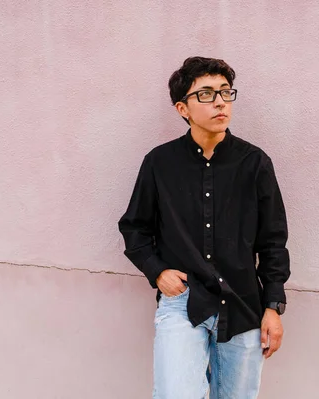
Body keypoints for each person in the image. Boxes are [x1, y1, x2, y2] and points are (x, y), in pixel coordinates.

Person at [118, 56, 290, 399]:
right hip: (183, 301)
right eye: (207, 94)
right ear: (183, 108)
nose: (220, 102)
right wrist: (157, 272)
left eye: (226, 92)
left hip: (243, 305)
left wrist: (273, 306)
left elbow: (273, 241)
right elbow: (134, 227)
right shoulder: (160, 163)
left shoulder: (254, 163)